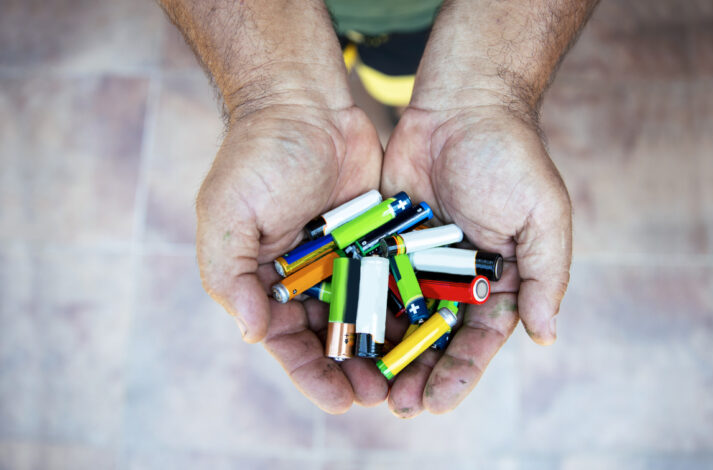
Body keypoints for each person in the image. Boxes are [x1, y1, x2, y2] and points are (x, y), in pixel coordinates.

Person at [158, 0, 598, 417]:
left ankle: (394, 100)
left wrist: (485, 93)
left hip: (427, 25)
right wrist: (276, 96)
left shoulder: (376, 253)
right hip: (269, 24)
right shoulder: (385, 253)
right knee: (382, 74)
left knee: (395, 75)